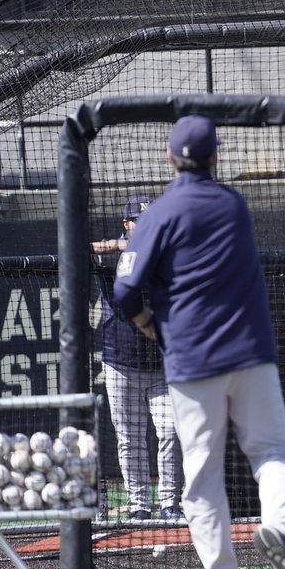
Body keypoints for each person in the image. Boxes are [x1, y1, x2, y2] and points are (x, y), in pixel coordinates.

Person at [113, 115, 285, 569]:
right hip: (249, 350)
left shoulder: (157, 213)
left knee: (201, 474)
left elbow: (124, 290)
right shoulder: (233, 204)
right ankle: (281, 532)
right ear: (215, 156)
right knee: (273, 452)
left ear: (169, 158)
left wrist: (148, 326)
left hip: (190, 358)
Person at [93, 194, 183, 522]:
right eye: (137, 223)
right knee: (130, 438)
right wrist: (118, 246)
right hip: (120, 363)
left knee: (171, 431)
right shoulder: (113, 257)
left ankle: (170, 502)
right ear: (127, 224)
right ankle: (139, 505)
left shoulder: (166, 257)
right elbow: (77, 249)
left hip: (161, 365)